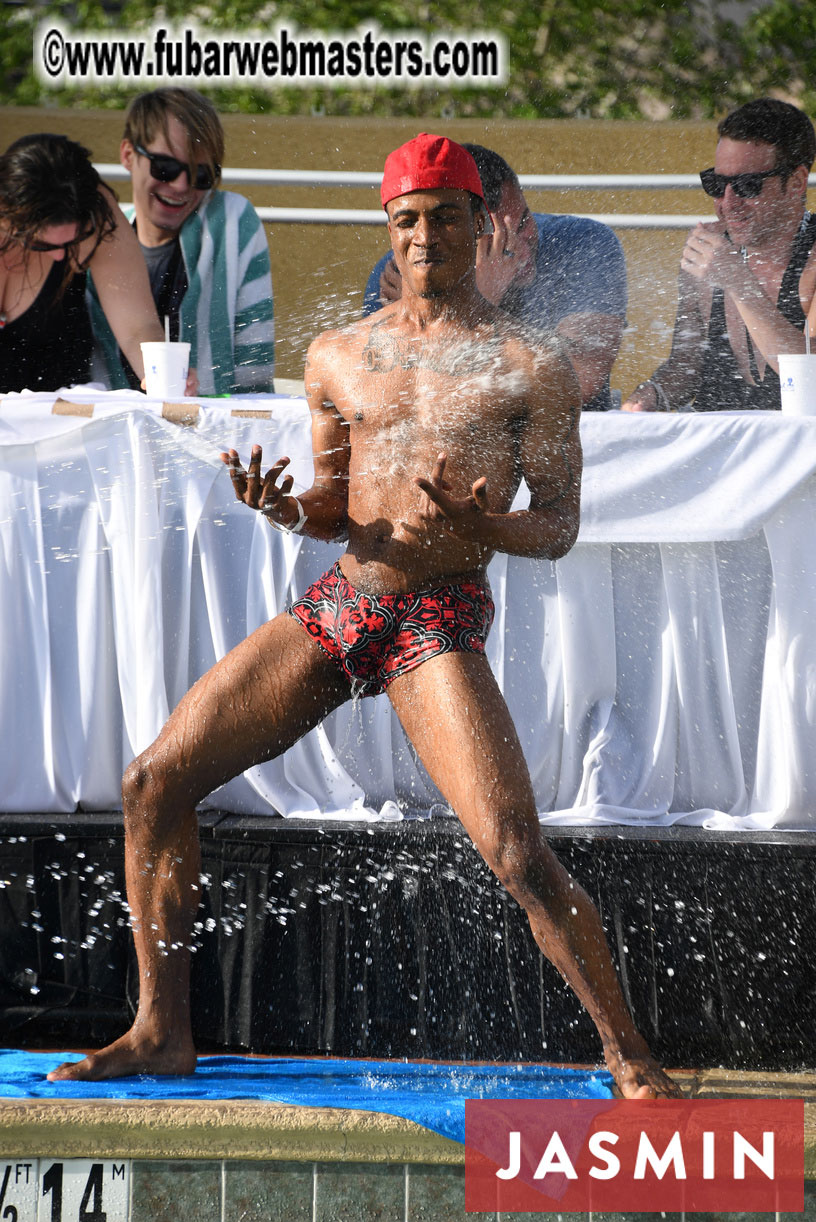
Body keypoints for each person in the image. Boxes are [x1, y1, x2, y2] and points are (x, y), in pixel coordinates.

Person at [49, 134, 678, 1099]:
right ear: (388, 226)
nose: (425, 235)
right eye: (407, 219)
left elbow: (559, 526)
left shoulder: (528, 363)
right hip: (348, 599)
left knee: (515, 849)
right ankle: (160, 1028)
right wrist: (282, 507)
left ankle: (630, 1054)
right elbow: (335, 507)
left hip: (436, 616)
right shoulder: (340, 353)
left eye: (445, 216)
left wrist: (488, 524)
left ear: (481, 223)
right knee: (153, 780)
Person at [362, 142, 627, 412]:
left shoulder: (581, 245)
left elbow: (579, 380)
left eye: (524, 222)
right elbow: (398, 405)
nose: (523, 250)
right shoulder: (406, 267)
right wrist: (477, 299)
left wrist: (472, 305)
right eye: (500, 242)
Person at [623, 98, 816, 413]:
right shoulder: (711, 254)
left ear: (795, 183)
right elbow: (686, 366)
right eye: (716, 183)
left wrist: (738, 283)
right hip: (721, 454)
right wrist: (653, 394)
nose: (727, 202)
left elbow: (812, 379)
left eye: (748, 185)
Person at [90, 88, 275, 396]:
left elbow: (255, 373)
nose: (181, 186)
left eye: (201, 175)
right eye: (166, 167)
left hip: (211, 437)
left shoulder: (231, 223)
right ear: (127, 154)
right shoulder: (95, 237)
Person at [0, 133, 166, 394]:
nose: (58, 257)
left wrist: (161, 376)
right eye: (40, 245)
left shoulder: (96, 212)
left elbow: (137, 327)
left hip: (65, 403)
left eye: (71, 243)